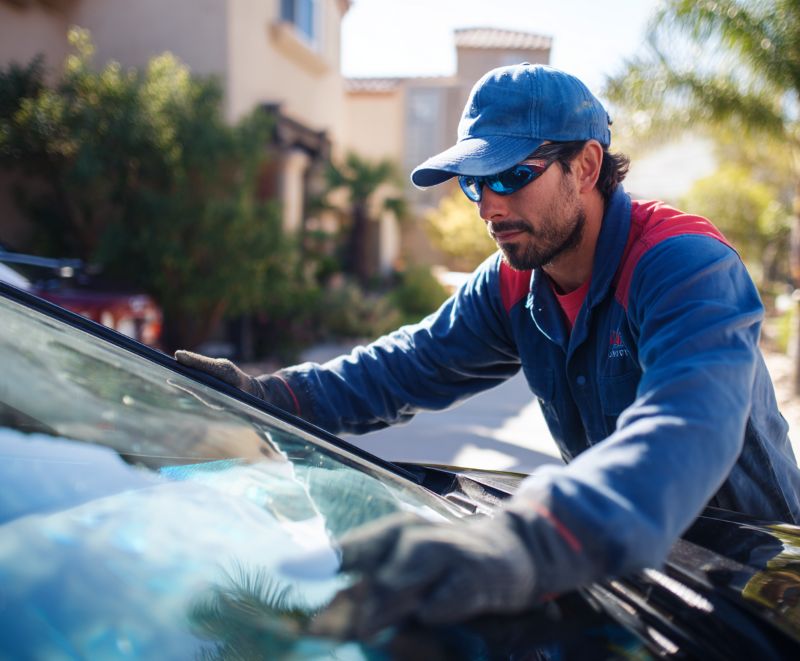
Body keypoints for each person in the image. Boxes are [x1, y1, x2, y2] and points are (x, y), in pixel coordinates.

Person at [176, 63, 800, 637]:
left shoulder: (683, 266)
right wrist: (269, 397)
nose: (490, 207)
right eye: (475, 184)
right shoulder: (513, 282)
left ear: (585, 166)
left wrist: (536, 536)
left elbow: (685, 428)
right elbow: (403, 367)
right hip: (617, 579)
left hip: (751, 593)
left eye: (511, 176)